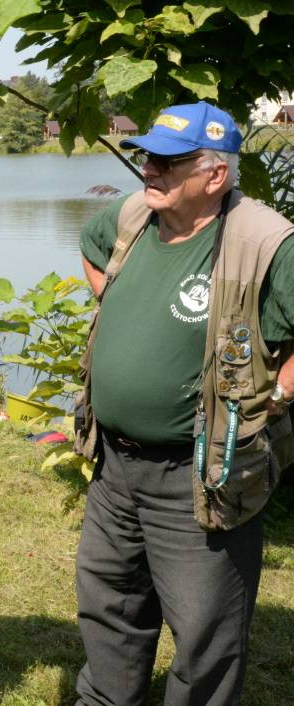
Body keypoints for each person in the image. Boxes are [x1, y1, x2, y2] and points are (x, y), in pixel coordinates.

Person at [74, 101, 294, 706]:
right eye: (148, 156)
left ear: (215, 174)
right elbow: (91, 247)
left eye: (167, 162)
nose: (149, 169)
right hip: (114, 467)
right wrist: (119, 306)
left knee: (204, 635)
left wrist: (275, 396)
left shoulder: (265, 240)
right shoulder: (132, 216)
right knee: (108, 605)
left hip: (200, 474)